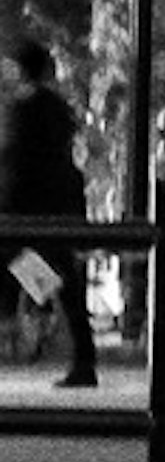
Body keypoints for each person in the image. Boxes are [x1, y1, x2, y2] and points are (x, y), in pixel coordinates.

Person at [1, 27, 98, 387]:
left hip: (31, 205)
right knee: (64, 281)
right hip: (60, 202)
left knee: (18, 261)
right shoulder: (58, 106)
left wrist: (8, 201)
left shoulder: (25, 107)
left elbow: (18, 160)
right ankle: (77, 352)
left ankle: (34, 319)